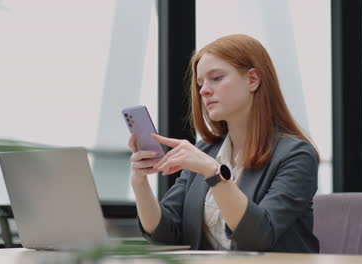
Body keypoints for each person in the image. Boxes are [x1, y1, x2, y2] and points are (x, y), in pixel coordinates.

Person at [128, 34, 320, 252]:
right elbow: (166, 234)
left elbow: (259, 237)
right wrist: (140, 184)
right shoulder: (205, 152)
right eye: (200, 83)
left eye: (216, 78)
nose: (203, 90)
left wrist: (213, 173)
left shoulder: (296, 155)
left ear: (252, 80)